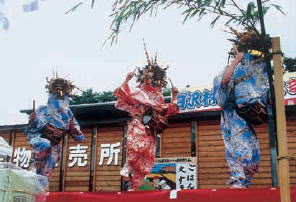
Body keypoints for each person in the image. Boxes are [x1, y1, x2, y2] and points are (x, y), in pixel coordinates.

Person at [113, 46, 179, 190]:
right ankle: (127, 167)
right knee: (136, 147)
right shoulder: (139, 91)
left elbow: (165, 110)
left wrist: (174, 97)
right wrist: (126, 79)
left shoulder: (159, 95)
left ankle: (133, 186)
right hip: (139, 123)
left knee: (147, 158)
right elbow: (125, 96)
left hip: (151, 127)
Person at [213, 28, 270, 188]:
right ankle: (237, 180)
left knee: (252, 149)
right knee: (239, 147)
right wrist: (236, 61)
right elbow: (223, 82)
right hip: (233, 116)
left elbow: (262, 88)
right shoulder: (234, 66)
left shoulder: (257, 66)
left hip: (246, 115)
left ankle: (245, 181)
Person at [24, 75, 85, 189]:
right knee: (37, 166)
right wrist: (32, 120)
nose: (59, 100)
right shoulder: (42, 110)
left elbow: (80, 137)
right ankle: (30, 190)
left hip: (54, 146)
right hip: (41, 142)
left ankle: (42, 194)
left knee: (47, 171)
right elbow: (31, 129)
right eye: (56, 95)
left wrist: (72, 128)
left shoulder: (67, 114)